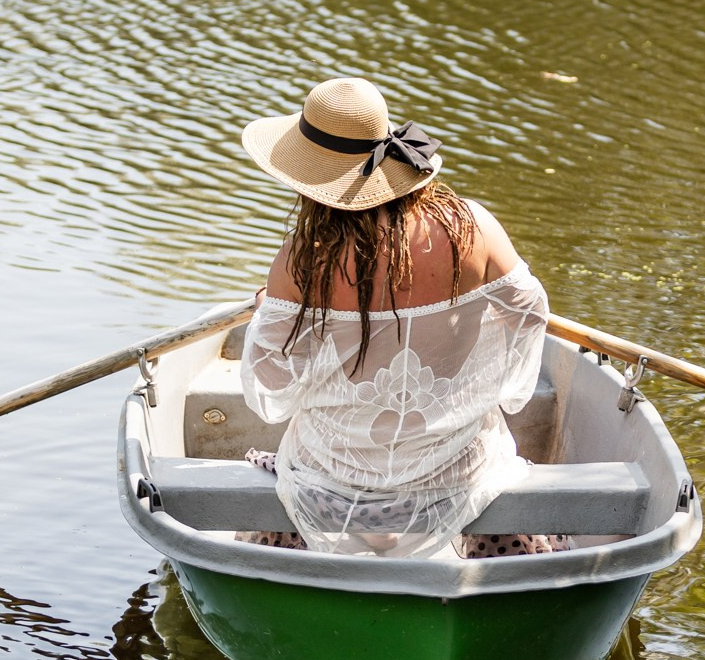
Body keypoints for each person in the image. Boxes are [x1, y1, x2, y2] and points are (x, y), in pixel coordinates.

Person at [235, 76, 567, 561]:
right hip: (454, 467)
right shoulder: (472, 225)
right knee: (486, 442)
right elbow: (530, 311)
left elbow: (274, 388)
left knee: (299, 456)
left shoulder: (303, 258)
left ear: (311, 184)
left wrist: (274, 312)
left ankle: (334, 553)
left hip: (333, 475)